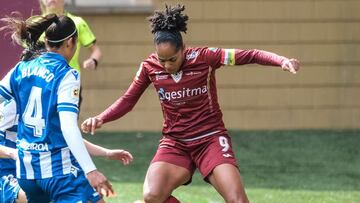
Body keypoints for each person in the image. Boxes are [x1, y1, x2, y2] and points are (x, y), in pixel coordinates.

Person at [81, 4, 300, 203]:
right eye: (162, 60)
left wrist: (281, 61)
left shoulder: (205, 57)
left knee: (238, 201)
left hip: (210, 139)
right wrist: (101, 118)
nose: (166, 65)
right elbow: (128, 100)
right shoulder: (149, 67)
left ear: (183, 49)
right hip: (176, 142)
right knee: (151, 196)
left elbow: (249, 55)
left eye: (172, 59)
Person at [0, 13, 112, 203]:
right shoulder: (67, 74)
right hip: (55, 169)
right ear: (70, 42)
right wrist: (91, 170)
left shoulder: (19, 69)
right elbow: (68, 128)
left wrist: (106, 153)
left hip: (27, 171)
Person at [0, 99, 133, 203]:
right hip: (8, 174)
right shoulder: (10, 106)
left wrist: (106, 153)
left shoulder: (49, 100)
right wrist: (14, 154)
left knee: (93, 199)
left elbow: (67, 136)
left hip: (41, 167)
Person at [39, 0, 101, 71]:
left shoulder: (78, 22)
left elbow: (96, 51)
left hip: (70, 77)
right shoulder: (35, 25)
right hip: (43, 78)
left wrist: (93, 60)